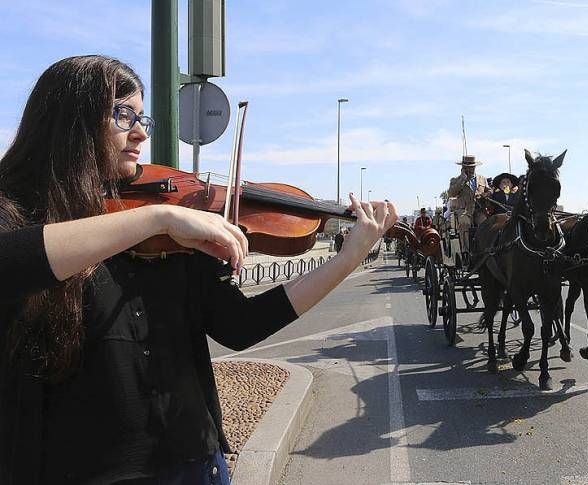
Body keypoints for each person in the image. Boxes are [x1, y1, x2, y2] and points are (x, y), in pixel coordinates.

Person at [0, 55, 397, 485]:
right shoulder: (18, 212)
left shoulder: (178, 220)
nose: (140, 133)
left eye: (142, 118)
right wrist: (155, 220)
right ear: (70, 121)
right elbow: (14, 260)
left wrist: (347, 258)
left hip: (191, 463)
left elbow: (240, 325)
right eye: (122, 115)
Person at [447, 154, 489, 254]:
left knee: (485, 223)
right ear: (463, 168)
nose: (470, 170)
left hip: (479, 210)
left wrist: (487, 193)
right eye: (467, 168)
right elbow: (451, 193)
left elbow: (489, 190)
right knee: (465, 223)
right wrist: (462, 178)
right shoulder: (455, 180)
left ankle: (484, 249)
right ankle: (466, 251)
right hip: (463, 210)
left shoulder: (482, 179)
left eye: (472, 167)